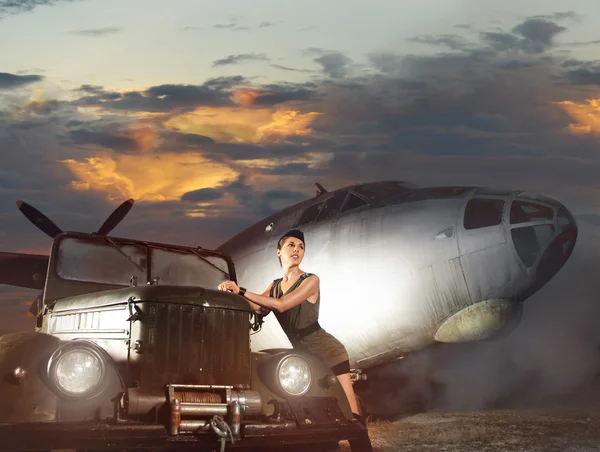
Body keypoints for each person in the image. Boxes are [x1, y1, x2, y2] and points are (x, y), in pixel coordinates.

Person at [217, 229, 364, 422]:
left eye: (301, 247)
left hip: (328, 351)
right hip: (302, 352)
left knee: (351, 413)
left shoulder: (311, 280)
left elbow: (282, 305)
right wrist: (231, 292)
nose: (297, 250)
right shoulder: (276, 285)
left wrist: (241, 291)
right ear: (279, 251)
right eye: (291, 245)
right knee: (311, 409)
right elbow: (258, 307)